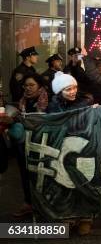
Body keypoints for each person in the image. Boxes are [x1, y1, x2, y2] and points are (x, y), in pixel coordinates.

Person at [46, 72, 95, 235]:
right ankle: (67, 216)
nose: (73, 91)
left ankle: (85, 218)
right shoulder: (53, 106)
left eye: (74, 87)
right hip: (61, 148)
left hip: (84, 148)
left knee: (84, 181)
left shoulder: (86, 102)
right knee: (63, 183)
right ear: (59, 92)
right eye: (68, 89)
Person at [11, 73, 49, 219]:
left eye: (31, 85)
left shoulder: (47, 100)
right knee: (25, 174)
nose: (28, 88)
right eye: (25, 85)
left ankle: (44, 206)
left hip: (42, 144)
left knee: (41, 175)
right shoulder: (23, 101)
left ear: (39, 86)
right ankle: (28, 204)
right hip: (23, 144)